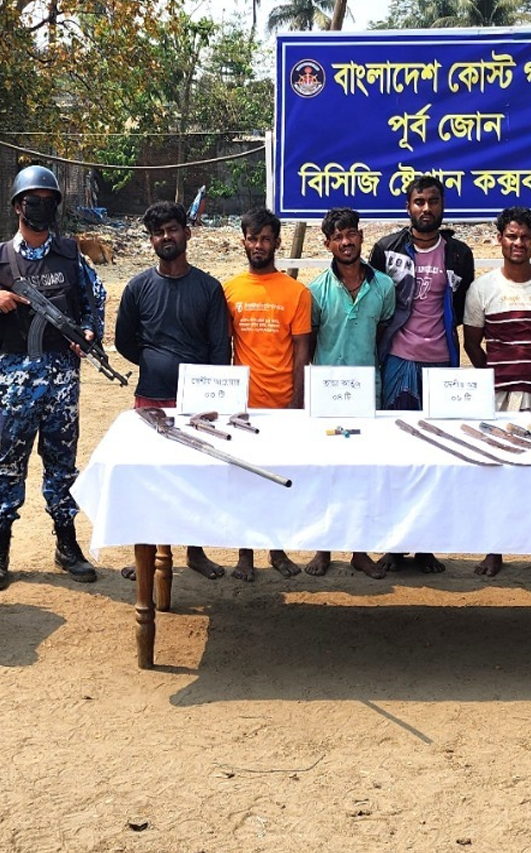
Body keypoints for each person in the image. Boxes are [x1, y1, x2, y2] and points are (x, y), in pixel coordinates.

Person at [0, 165, 106, 590]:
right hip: (14, 378)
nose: (41, 207)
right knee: (9, 463)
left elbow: (94, 301)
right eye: (32, 201)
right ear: (18, 207)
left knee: (62, 464)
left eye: (48, 201)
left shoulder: (71, 256)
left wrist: (89, 333)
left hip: (62, 378)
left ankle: (66, 543)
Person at [113, 201, 231, 581]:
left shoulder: (209, 289)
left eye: (172, 229)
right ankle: (146, 553)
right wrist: (154, 361)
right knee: (150, 477)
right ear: (151, 240)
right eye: (158, 232)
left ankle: (195, 552)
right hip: (151, 398)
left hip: (196, 405)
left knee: (196, 478)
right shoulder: (138, 288)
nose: (166, 237)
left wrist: (210, 399)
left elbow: (220, 349)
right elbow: (124, 341)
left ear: (187, 233)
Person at [370, 174, 475, 574]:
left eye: (433, 201)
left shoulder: (459, 254)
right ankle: (396, 544)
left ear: (442, 206)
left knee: (436, 455)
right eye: (419, 202)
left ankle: (427, 545)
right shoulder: (386, 250)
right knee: (398, 454)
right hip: (399, 360)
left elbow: (460, 310)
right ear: (408, 207)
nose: (426, 208)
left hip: (441, 364)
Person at [462, 205, 531, 581]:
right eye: (512, 236)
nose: (518, 243)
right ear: (500, 239)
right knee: (497, 472)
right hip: (497, 398)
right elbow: (472, 343)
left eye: (525, 236)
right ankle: (495, 549)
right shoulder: (483, 288)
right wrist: (497, 377)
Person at [304, 206, 396, 580]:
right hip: (327, 399)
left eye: (351, 234)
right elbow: (310, 343)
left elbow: (382, 335)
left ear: (361, 236)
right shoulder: (315, 291)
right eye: (337, 237)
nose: (346, 242)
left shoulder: (384, 287)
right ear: (328, 244)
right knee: (327, 473)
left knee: (362, 474)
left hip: (366, 398)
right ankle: (323, 548)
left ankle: (359, 551)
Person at [223, 206, 313, 581]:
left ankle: (277, 550)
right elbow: (223, 347)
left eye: (265, 239)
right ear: (243, 242)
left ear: (277, 243)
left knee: (278, 481)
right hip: (242, 407)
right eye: (252, 238)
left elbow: (303, 351)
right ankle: (245, 555)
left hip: (282, 405)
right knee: (244, 481)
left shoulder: (296, 293)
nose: (258, 245)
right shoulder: (229, 290)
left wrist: (296, 403)